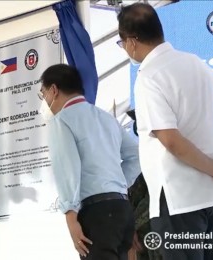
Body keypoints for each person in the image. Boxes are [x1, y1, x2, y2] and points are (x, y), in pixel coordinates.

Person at [118, 3, 213, 260]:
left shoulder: (149, 76)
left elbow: (170, 140)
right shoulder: (198, 65)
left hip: (178, 198)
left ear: (131, 42)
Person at [38, 64, 140, 260]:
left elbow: (67, 167)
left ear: (54, 90)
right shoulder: (107, 118)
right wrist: (118, 185)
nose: (45, 100)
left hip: (96, 213)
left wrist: (70, 213)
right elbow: (135, 155)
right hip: (122, 208)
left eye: (43, 94)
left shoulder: (61, 121)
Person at [126, 109, 162, 260]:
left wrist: (132, 225)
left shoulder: (166, 155)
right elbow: (133, 194)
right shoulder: (148, 158)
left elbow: (160, 198)